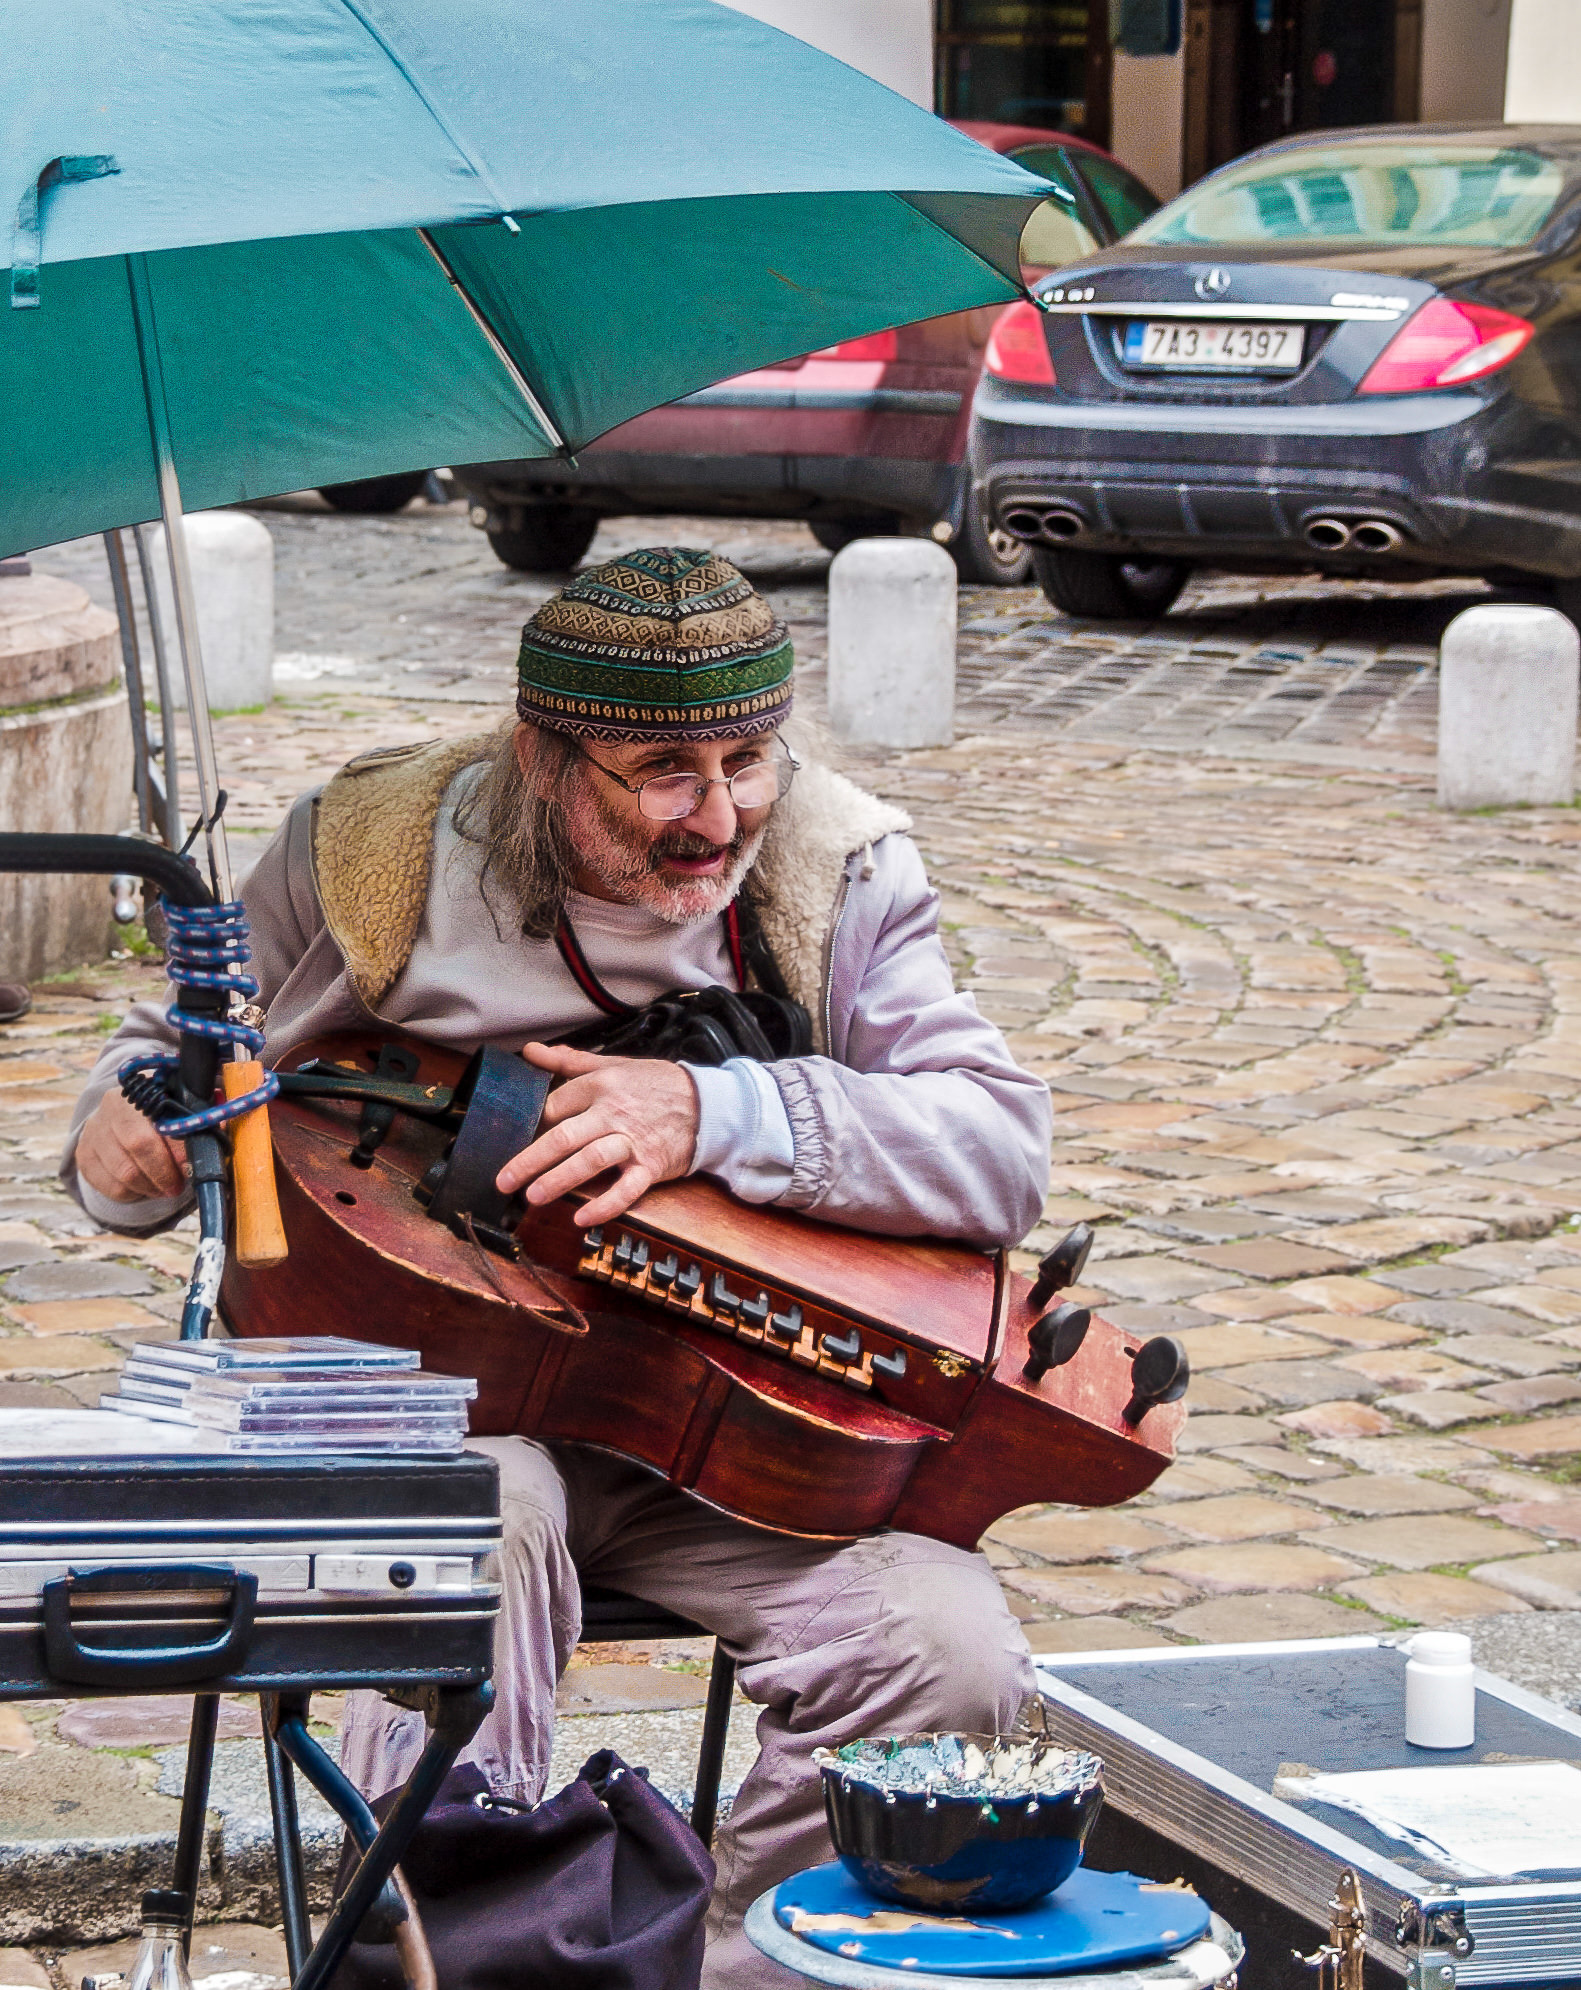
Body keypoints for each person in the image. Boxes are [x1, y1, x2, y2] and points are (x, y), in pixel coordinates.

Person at [64, 547, 1051, 1987]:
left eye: (748, 757)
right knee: (482, 1523)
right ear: (543, 757)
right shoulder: (368, 853)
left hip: (725, 1426)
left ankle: (757, 1969)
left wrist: (714, 1111)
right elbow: (166, 1076)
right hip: (439, 1401)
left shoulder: (833, 864)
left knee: (947, 1648)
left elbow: (998, 1148)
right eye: (663, 771)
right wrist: (126, 1140)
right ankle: (448, 1955)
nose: (718, 814)